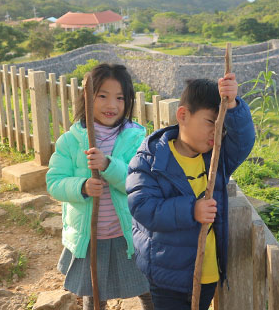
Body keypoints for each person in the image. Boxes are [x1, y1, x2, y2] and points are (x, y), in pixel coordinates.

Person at [126, 74, 255, 310]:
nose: (216, 133)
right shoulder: (151, 160)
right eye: (210, 123)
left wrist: (234, 104)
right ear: (183, 115)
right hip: (166, 275)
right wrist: (191, 210)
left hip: (206, 273)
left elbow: (244, 140)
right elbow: (142, 207)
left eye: (221, 127)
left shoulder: (217, 159)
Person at [46, 63, 154, 310]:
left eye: (119, 98)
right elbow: (54, 182)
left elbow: (141, 182)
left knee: (146, 288)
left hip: (128, 233)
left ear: (128, 102)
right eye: (102, 96)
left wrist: (108, 165)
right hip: (90, 236)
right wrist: (81, 186)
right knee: (94, 295)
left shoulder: (137, 139)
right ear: (87, 98)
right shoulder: (71, 141)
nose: (111, 105)